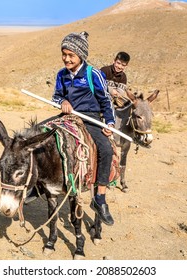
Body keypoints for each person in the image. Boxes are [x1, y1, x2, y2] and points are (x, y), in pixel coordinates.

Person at [50, 31, 116, 226]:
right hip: (67, 117)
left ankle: (100, 199)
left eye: (71, 55)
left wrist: (110, 123)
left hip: (90, 118)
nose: (66, 59)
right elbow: (55, 96)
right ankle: (36, 186)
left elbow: (106, 101)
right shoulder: (61, 74)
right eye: (64, 54)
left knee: (106, 149)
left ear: (81, 55)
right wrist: (62, 101)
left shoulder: (93, 74)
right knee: (40, 133)